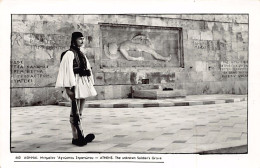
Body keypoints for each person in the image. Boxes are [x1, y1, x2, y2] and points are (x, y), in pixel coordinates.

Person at [55, 32, 97, 146]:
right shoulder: (69, 54)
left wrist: (89, 78)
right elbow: (65, 71)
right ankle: (75, 137)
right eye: (79, 39)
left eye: (83, 39)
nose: (82, 41)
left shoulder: (82, 53)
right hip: (74, 83)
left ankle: (80, 135)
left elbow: (87, 68)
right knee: (74, 112)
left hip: (83, 83)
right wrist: (68, 88)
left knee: (79, 112)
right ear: (74, 40)